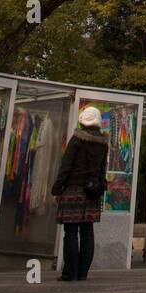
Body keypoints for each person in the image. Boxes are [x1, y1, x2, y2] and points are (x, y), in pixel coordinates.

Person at [51, 105, 109, 281]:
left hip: (73, 189)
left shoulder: (77, 139)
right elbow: (102, 170)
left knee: (70, 232)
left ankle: (70, 273)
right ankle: (83, 273)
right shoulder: (103, 144)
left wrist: (57, 188)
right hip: (92, 192)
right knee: (87, 232)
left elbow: (66, 166)